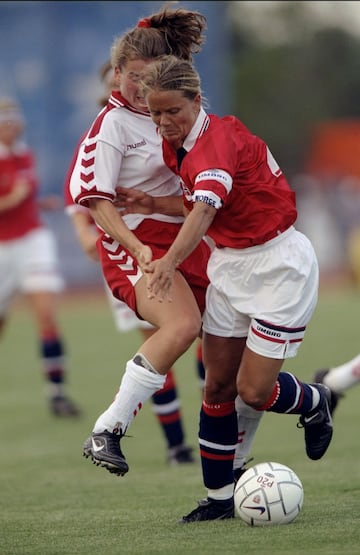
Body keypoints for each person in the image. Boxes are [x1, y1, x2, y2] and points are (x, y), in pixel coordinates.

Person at [135, 54, 334, 522]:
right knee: (218, 385)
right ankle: (220, 499)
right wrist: (150, 201)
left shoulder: (216, 143)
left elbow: (203, 211)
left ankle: (314, 399)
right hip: (230, 264)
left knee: (253, 390)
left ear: (197, 101)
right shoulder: (180, 143)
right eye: (155, 113)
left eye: (173, 112)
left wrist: (169, 261)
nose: (164, 122)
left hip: (278, 266)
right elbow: (197, 205)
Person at [69, 6, 217, 478]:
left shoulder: (176, 111)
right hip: (137, 250)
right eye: (131, 77)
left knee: (232, 356)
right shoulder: (110, 127)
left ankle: (231, 465)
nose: (138, 87)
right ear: (116, 74)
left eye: (149, 77)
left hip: (189, 238)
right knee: (179, 328)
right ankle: (107, 429)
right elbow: (96, 203)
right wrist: (137, 248)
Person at [0, 97, 80, 417]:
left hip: (34, 239)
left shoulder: (25, 153)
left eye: (15, 120)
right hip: (2, 248)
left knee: (46, 315)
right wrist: (11, 199)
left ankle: (57, 394)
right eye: (6, 121)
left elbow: (23, 198)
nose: (13, 126)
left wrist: (34, 204)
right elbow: (11, 198)